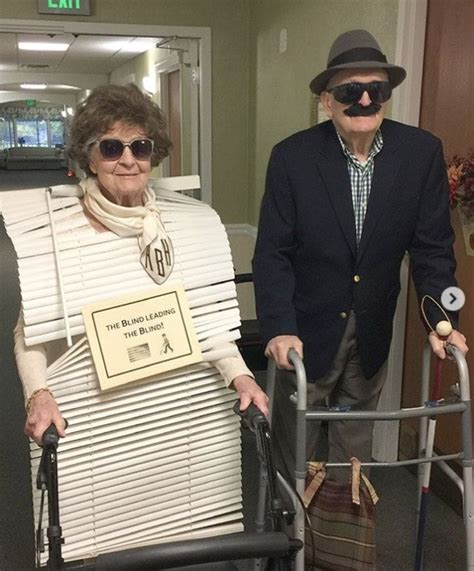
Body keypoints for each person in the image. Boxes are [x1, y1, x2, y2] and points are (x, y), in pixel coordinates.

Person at [252, 29, 468, 481]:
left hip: (371, 330)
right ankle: (291, 544)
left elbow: (432, 249)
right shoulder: (292, 158)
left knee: (354, 457)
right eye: (351, 91)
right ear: (327, 100)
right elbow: (273, 253)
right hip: (304, 336)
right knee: (298, 454)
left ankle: (345, 547)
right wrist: (279, 327)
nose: (365, 100)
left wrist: (440, 322)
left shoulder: (420, 153)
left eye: (377, 90)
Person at [11, 83, 268, 446]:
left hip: (171, 409)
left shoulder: (180, 226)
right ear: (90, 158)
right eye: (112, 148)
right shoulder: (57, 233)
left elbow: (206, 322)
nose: (128, 160)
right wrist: (38, 395)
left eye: (140, 147)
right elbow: (28, 333)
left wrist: (241, 375)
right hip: (93, 414)